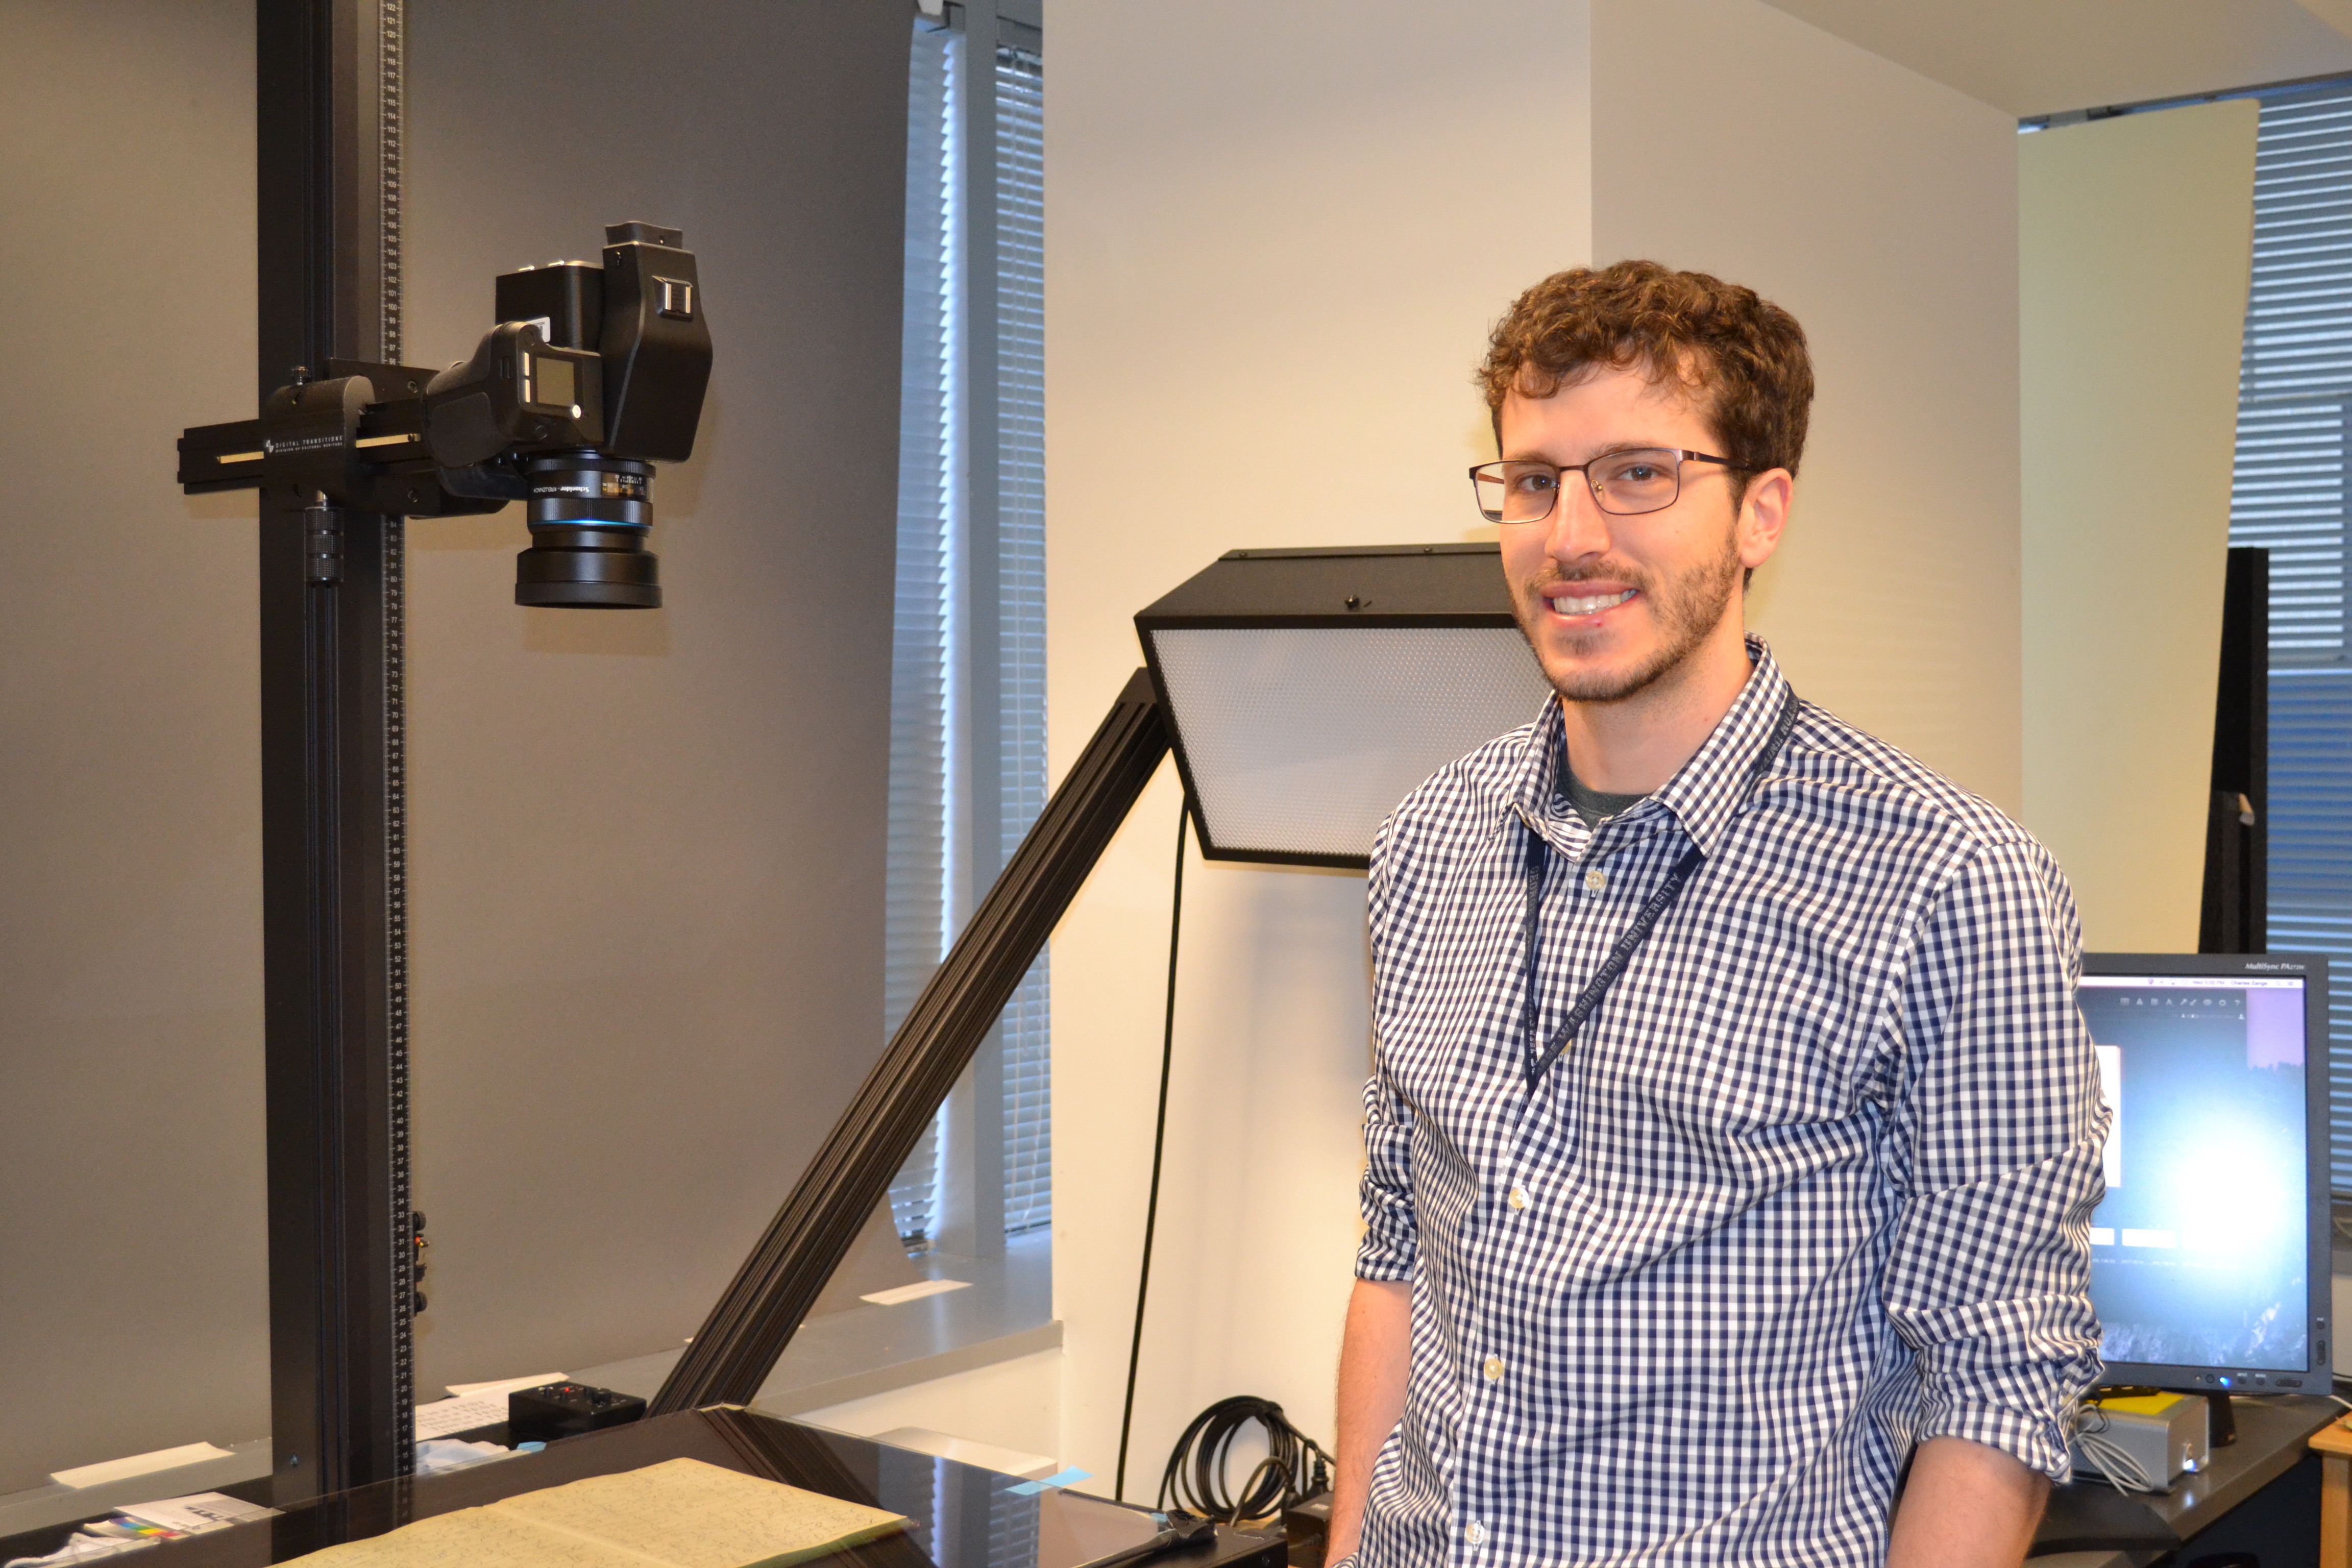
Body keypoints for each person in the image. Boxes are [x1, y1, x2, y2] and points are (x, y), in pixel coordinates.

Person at [1325, 261, 2107, 1568]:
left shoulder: (1950, 883)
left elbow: (1996, 1383)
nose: (1573, 534)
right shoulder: (1426, 848)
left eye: (1639, 474)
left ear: (1761, 513)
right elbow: (1399, 1253)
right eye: (1534, 481)